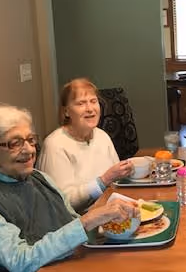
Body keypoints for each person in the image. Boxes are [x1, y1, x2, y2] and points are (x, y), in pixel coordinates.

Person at [0, 105, 139, 272]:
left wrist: (108, 218)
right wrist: (87, 221)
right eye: (14, 143)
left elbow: (71, 224)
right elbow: (21, 263)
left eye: (30, 140)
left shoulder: (39, 178)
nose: (29, 150)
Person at [37, 78, 133, 212]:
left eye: (93, 101)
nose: (90, 109)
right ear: (66, 112)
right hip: (79, 222)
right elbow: (63, 203)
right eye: (81, 103)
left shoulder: (101, 136)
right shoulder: (55, 145)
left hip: (111, 211)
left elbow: (117, 182)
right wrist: (103, 181)